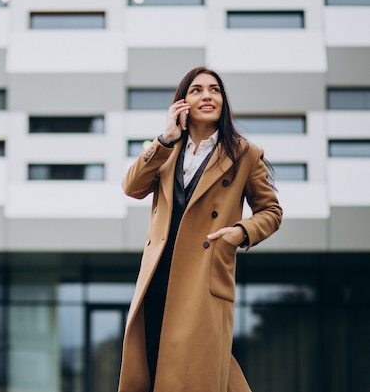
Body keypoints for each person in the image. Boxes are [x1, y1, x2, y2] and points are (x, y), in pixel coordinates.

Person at [117, 66, 283, 392]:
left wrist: (241, 232)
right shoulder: (166, 149)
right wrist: (165, 138)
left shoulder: (244, 154)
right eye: (197, 90)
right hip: (158, 276)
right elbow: (132, 187)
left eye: (215, 90)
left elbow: (271, 211)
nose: (207, 95)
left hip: (204, 277)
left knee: (200, 371)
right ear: (182, 104)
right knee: (157, 365)